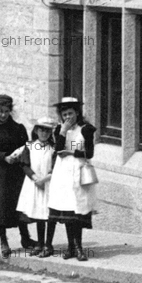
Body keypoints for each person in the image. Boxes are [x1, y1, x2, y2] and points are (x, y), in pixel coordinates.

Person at [0, 94, 35, 258]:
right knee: (0, 208)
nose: (3, 114)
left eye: (6, 111)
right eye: (0, 111)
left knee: (19, 206)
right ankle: (3, 241)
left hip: (16, 173)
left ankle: (25, 238)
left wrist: (20, 156)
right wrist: (5, 157)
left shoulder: (18, 128)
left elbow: (26, 147)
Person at [48, 97, 97, 261]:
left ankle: (78, 247)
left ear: (77, 112)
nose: (67, 117)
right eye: (64, 115)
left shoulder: (86, 129)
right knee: (67, 209)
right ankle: (71, 247)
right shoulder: (59, 130)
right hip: (62, 173)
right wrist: (63, 130)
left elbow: (89, 153)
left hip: (79, 171)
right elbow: (58, 148)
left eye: (70, 113)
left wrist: (71, 153)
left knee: (78, 209)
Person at [15, 117, 57, 257]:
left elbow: (56, 167)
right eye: (41, 130)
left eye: (47, 131)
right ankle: (39, 244)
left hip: (49, 184)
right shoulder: (30, 146)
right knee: (39, 214)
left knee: (49, 215)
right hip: (33, 183)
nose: (44, 133)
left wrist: (44, 179)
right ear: (36, 130)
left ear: (51, 132)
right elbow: (25, 165)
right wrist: (35, 178)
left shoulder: (53, 148)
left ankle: (48, 244)